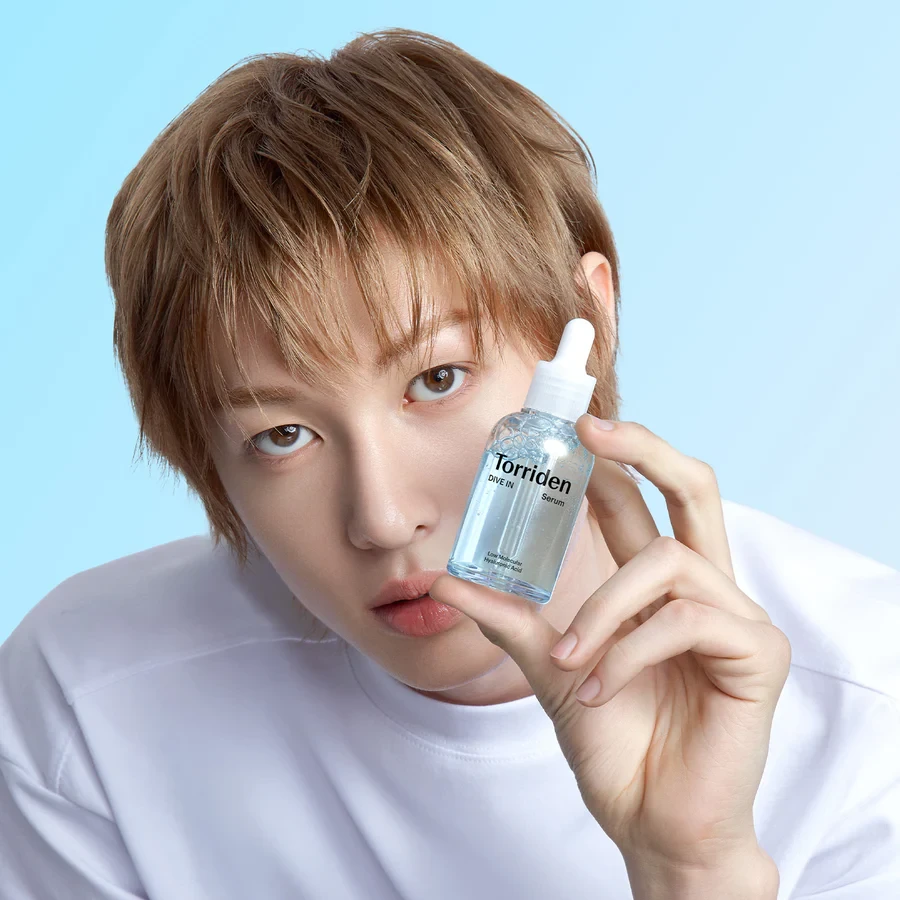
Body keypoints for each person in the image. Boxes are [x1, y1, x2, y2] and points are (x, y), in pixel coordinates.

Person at [1, 26, 898, 900]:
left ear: (586, 325)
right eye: (282, 435)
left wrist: (696, 873)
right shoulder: (91, 703)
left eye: (437, 379)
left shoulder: (868, 699)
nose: (383, 518)